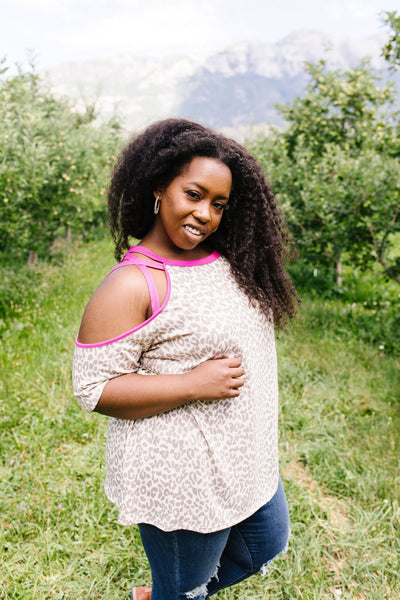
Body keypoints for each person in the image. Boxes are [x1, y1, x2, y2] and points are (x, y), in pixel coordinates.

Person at [72, 118, 300, 600]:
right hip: (182, 477)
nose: (205, 214)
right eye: (193, 194)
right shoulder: (134, 283)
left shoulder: (224, 260)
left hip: (246, 456)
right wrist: (193, 384)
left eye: (219, 204)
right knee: (187, 590)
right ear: (160, 187)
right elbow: (94, 389)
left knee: (266, 544)